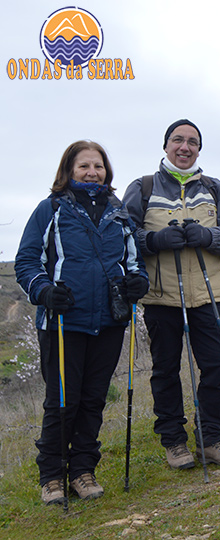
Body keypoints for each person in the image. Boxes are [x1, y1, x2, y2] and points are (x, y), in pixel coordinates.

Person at [15, 141, 149, 505]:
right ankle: (52, 475)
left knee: (92, 399)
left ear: (107, 171)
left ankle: (83, 470)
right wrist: (44, 292)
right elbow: (26, 261)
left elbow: (135, 262)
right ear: (68, 171)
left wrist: (139, 283)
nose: (92, 172)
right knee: (62, 400)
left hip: (110, 320)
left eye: (99, 166)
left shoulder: (119, 212)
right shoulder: (51, 210)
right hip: (63, 321)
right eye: (84, 166)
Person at [123, 119, 220, 470]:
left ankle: (211, 439)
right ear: (165, 146)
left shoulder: (214, 188)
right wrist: (154, 241)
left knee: (217, 367)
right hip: (161, 297)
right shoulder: (143, 187)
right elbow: (124, 235)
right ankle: (174, 442)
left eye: (192, 142)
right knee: (165, 370)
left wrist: (209, 237)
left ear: (199, 149)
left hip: (209, 294)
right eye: (178, 140)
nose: (185, 147)